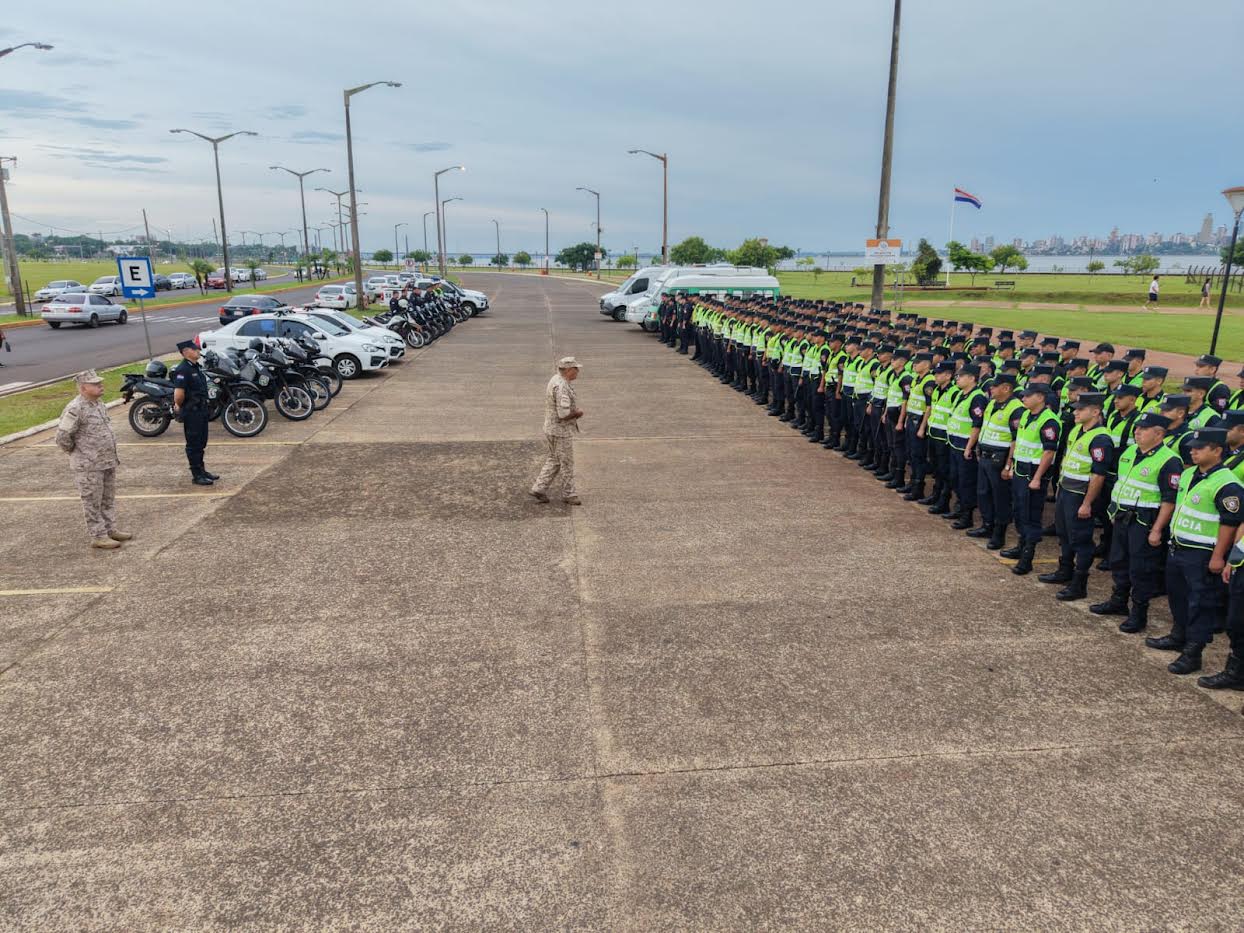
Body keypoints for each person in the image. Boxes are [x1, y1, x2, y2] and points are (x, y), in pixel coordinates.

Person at [1145, 428, 1244, 675]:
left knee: (1201, 603)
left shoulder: (1229, 485)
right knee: (1177, 596)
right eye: (1192, 447)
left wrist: (1219, 556)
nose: (1193, 451)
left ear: (1217, 450)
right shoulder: (1189, 473)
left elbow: (1229, 524)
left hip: (1202, 553)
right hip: (1179, 547)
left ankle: (1193, 652)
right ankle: (1179, 634)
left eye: (1200, 447)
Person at [1090, 412, 1181, 633]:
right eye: (1137, 428)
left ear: (1158, 433)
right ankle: (1119, 601)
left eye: (1143, 429)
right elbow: (1122, 484)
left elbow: (1169, 500)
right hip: (1122, 515)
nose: (1137, 432)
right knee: (1119, 560)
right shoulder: (1131, 451)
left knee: (1141, 568)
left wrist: (1157, 529)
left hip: (1145, 519)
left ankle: (1139, 613)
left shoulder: (1169, 461)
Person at [1040, 392, 1113, 601]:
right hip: (1066, 490)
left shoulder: (1100, 439)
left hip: (1080, 494)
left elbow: (1098, 475)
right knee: (1064, 534)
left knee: (1080, 539)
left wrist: (1087, 503)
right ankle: (1065, 571)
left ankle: (1079, 583)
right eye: (1075, 408)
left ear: (1096, 412)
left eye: (1081, 409)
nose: (1075, 412)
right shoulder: (1076, 430)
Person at [54, 370, 131, 549]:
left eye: (100, 383)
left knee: (107, 498)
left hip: (107, 461)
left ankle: (110, 529)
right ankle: (98, 536)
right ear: (83, 388)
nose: (100, 386)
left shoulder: (98, 404)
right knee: (92, 501)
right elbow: (62, 437)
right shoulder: (75, 408)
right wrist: (79, 454)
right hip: (88, 465)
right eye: (95, 384)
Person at [1002, 383, 1060, 574]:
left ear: (1040, 397)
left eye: (1027, 396)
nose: (1023, 399)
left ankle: (1027, 557)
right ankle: (1021, 545)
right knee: (1019, 511)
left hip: (1033, 473)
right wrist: (1010, 465)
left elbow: (1049, 452)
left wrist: (1037, 478)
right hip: (1020, 470)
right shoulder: (1027, 414)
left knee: (1031, 515)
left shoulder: (1049, 421)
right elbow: (1019, 443)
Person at [530, 356, 583, 505]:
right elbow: (563, 415)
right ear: (568, 370)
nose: (578, 371)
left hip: (551, 428)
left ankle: (539, 488)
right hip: (560, 431)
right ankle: (569, 494)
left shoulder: (556, 379)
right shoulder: (562, 387)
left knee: (554, 459)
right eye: (575, 369)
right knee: (566, 463)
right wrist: (577, 414)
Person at [171, 340, 217, 486]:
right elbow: (179, 393)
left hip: (202, 410)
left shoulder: (196, 367)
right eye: (194, 349)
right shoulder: (183, 369)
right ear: (186, 352)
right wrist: (179, 405)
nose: (198, 351)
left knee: (201, 442)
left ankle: (202, 471)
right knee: (194, 443)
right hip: (192, 412)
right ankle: (196, 475)